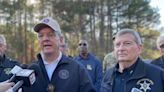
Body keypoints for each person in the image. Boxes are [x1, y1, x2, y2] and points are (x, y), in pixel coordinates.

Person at [23, 17, 96, 92]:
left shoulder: (77, 70)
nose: (45, 39)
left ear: (60, 40)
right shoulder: (29, 71)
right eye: (41, 36)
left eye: (50, 35)